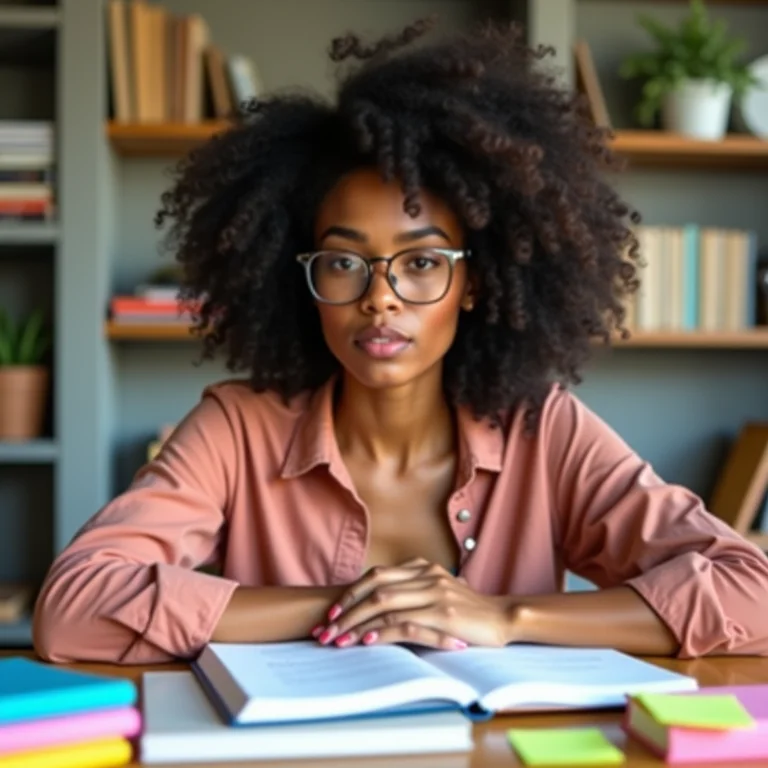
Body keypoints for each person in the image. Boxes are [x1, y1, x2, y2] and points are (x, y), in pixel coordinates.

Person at [34, 19, 768, 665]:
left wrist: (504, 617)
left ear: (474, 282)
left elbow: (751, 594)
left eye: (421, 262)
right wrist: (354, 602)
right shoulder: (238, 427)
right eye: (345, 262)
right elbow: (74, 609)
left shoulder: (543, 430)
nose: (379, 296)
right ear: (304, 280)